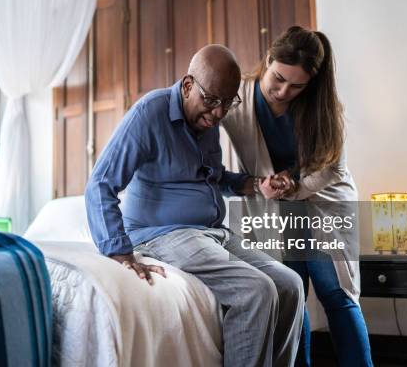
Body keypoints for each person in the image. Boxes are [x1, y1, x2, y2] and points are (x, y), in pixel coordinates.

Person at [85, 44, 304, 367]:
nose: (217, 113)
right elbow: (100, 184)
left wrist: (255, 184)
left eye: (227, 103)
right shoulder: (149, 114)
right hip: (162, 234)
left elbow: (214, 178)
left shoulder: (207, 123)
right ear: (188, 86)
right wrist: (120, 251)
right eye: (211, 101)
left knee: (289, 285)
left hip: (211, 231)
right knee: (255, 292)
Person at [222, 26, 373, 367]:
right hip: (272, 207)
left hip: (324, 201)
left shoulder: (322, 107)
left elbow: (332, 168)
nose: (284, 91)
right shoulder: (238, 98)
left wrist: (294, 184)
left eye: (297, 86)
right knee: (290, 295)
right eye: (278, 79)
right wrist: (254, 184)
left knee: (336, 293)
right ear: (268, 59)